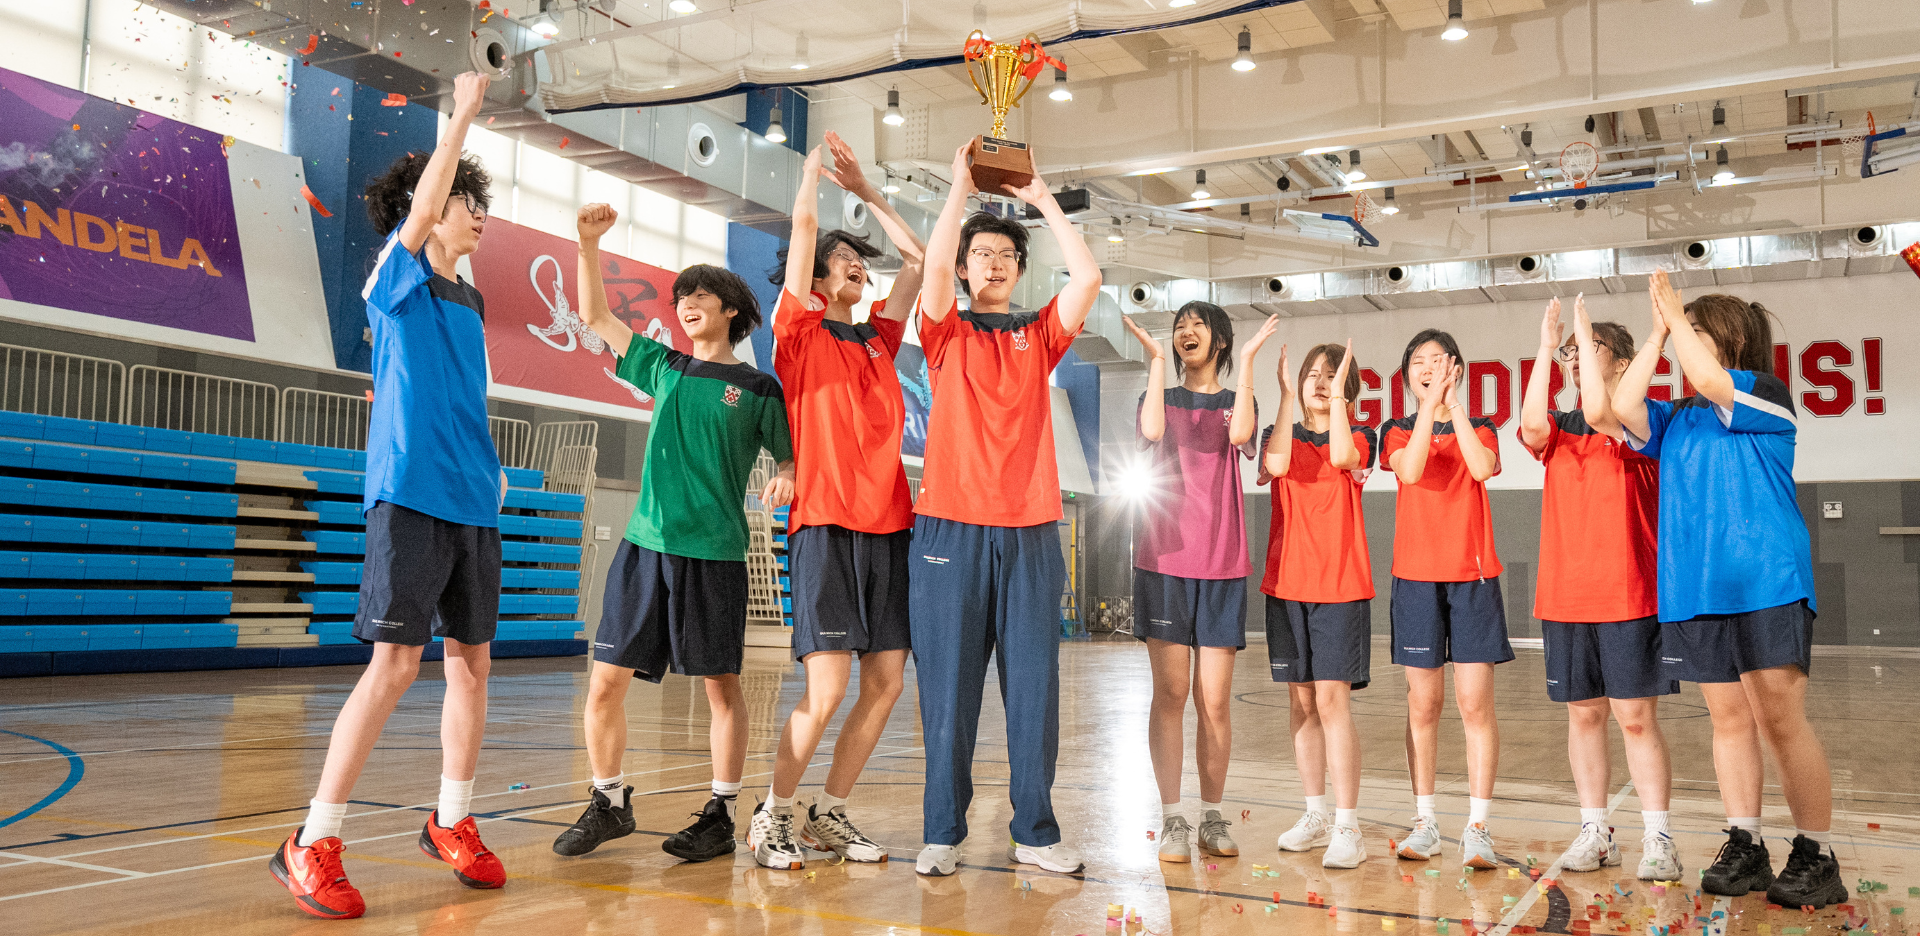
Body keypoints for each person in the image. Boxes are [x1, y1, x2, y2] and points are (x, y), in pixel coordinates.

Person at [269, 71, 506, 921]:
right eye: (466, 201)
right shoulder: (393, 278)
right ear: (429, 209)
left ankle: (451, 819)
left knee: (472, 666)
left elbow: (464, 396)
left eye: (480, 202)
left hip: (474, 499)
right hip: (409, 493)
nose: (478, 214)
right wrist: (463, 115)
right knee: (396, 665)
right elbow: (424, 205)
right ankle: (313, 840)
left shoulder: (471, 298)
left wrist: (492, 471)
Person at [549, 202, 795, 863]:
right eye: (681, 297)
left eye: (700, 295)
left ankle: (720, 813)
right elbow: (596, 317)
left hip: (714, 554)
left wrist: (788, 477)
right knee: (605, 681)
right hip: (644, 548)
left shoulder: (759, 389)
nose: (686, 304)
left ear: (732, 311)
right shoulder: (664, 366)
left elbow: (790, 458)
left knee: (721, 688)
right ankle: (609, 802)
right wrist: (587, 245)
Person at [1612, 271, 1845, 908]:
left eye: (1696, 329)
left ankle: (1817, 852)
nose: (1683, 338)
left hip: (1767, 581)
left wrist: (1675, 316)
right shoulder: (1677, 417)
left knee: (1780, 720)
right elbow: (1621, 406)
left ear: (1733, 338)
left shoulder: (1765, 393)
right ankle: (1746, 843)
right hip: (1697, 589)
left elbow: (1712, 378)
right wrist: (1657, 332)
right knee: (1729, 720)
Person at [909, 142, 1102, 877]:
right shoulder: (944, 331)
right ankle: (941, 831)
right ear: (964, 267)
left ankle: (1037, 832)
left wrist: (1043, 197)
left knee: (1033, 692)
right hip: (949, 530)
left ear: (1020, 270)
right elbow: (930, 272)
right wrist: (959, 187)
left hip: (1030, 532)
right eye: (980, 254)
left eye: (1006, 256)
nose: (992, 263)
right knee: (947, 692)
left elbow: (1088, 277)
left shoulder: (1037, 335)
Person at [746, 132, 926, 870]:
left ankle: (828, 810)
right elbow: (803, 234)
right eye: (842, 259)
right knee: (827, 687)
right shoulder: (798, 332)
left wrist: (870, 193)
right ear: (819, 277)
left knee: (886, 682)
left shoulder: (880, 337)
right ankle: (772, 814)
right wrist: (814, 178)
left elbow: (918, 261)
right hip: (823, 522)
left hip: (890, 526)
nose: (856, 264)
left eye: (859, 259)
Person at [1518, 296, 1679, 880]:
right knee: (1583, 716)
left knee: (1634, 716)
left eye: (1588, 350)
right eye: (1573, 354)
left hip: (1629, 590)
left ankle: (1659, 836)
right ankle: (1595, 830)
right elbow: (1532, 424)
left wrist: (1583, 335)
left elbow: (1597, 407)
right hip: (1566, 593)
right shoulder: (1559, 430)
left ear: (1623, 361)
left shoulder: (1639, 421)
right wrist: (1548, 346)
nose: (1576, 358)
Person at [1120, 304, 1274, 864]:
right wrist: (1155, 360)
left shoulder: (1237, 400)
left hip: (1223, 564)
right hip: (1164, 562)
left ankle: (1211, 814)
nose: (1186, 332)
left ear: (1221, 340)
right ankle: (1172, 819)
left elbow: (1242, 433)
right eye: (1179, 326)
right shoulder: (1157, 396)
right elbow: (1152, 430)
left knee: (1214, 700)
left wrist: (1249, 360)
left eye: (1198, 325)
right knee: (1171, 694)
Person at [1380, 328, 1509, 870]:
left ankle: (1478, 826)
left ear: (1455, 368)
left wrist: (1451, 407)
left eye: (1438, 359)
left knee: (1474, 704)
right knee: (1423, 705)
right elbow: (1410, 470)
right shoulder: (1394, 429)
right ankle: (1425, 820)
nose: (1428, 367)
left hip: (1472, 578)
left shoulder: (1479, 427)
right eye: (1418, 361)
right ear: (1407, 374)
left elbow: (1480, 468)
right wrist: (1427, 409)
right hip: (1415, 579)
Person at [1260, 339, 1376, 870]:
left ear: (1347, 387)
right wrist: (1287, 396)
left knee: (1332, 705)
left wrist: (1339, 401)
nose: (1320, 381)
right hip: (1287, 584)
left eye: (1332, 374)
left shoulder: (1360, 435)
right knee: (1302, 705)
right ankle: (1315, 814)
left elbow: (1343, 457)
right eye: (1312, 373)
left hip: (1339, 585)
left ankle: (1348, 825)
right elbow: (1277, 463)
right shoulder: (1280, 432)